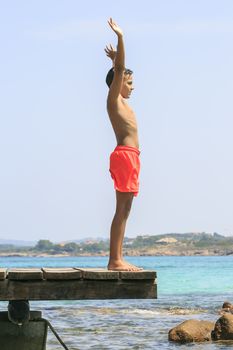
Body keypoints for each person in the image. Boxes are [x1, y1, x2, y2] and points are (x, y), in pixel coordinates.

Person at [105, 18, 142, 271]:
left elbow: (117, 70)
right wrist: (121, 37)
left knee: (126, 210)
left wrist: (114, 60)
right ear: (117, 85)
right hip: (125, 156)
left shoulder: (122, 103)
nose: (132, 86)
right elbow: (118, 72)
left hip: (131, 157)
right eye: (128, 83)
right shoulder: (114, 101)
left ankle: (117, 258)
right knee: (122, 210)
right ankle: (115, 260)